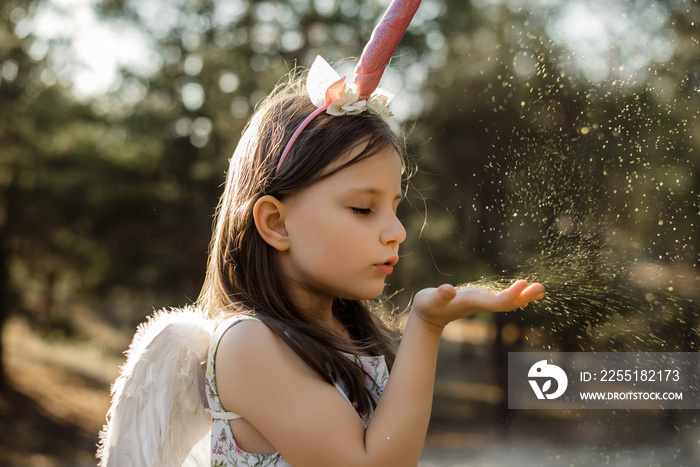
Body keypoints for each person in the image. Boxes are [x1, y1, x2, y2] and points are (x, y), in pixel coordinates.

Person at [195, 61, 545, 465]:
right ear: (277, 224)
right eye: (363, 208)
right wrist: (427, 327)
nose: (396, 231)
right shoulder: (249, 344)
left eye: (395, 208)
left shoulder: (345, 333)